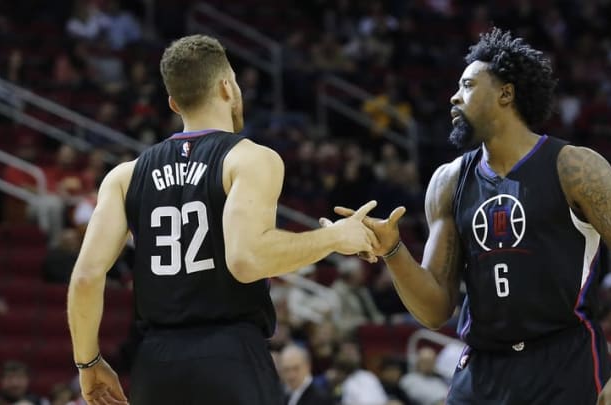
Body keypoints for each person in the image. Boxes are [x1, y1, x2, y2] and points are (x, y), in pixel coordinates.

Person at [324, 28, 611, 404]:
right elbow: (435, 310)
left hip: (563, 363)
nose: (454, 96)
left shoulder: (574, 168)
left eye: (468, 85)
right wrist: (393, 251)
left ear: (506, 93)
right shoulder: (448, 181)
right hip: (482, 371)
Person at [66, 34, 379, 405]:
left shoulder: (125, 176)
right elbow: (246, 260)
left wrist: (88, 363)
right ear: (228, 87)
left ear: (173, 102)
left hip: (156, 363)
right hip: (231, 357)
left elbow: (86, 278)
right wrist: (335, 238)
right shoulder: (249, 158)